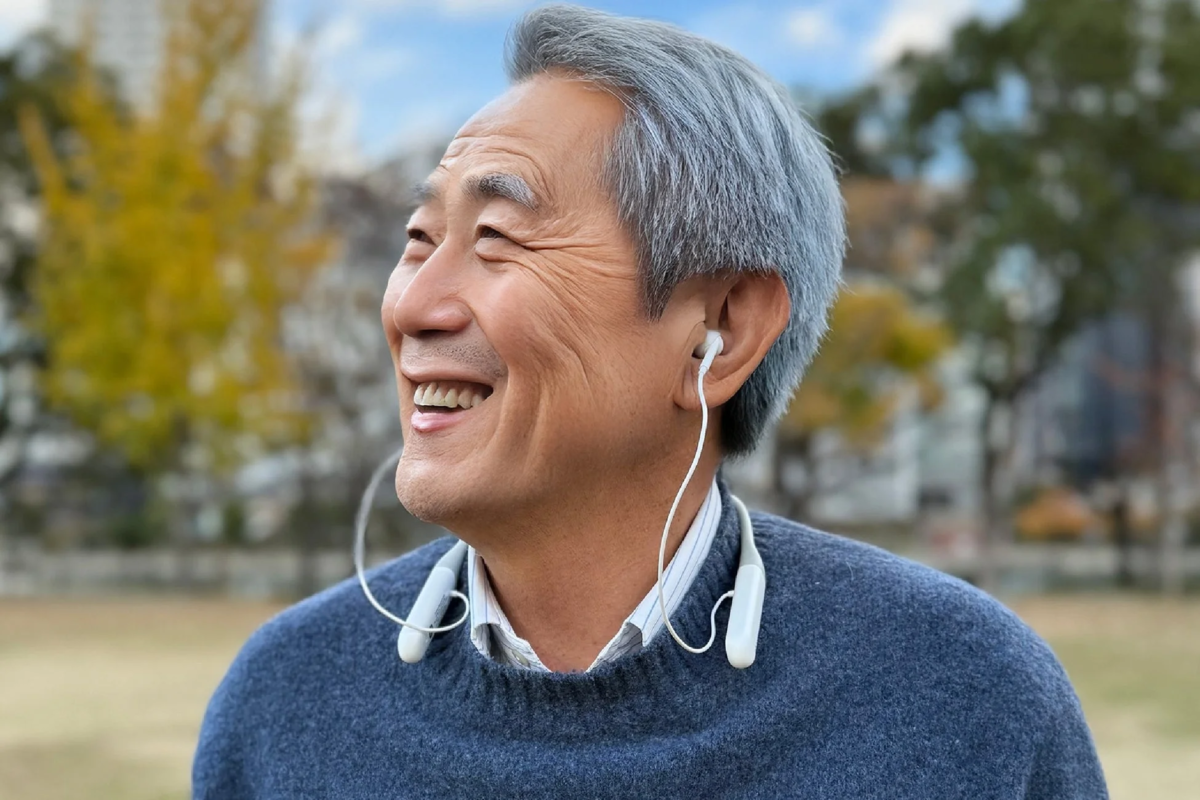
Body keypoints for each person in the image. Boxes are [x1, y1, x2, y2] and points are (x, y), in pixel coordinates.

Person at [193, 5, 1108, 798]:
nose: (412, 306)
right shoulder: (283, 703)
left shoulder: (963, 698)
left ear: (722, 328)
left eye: (499, 236)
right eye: (419, 238)